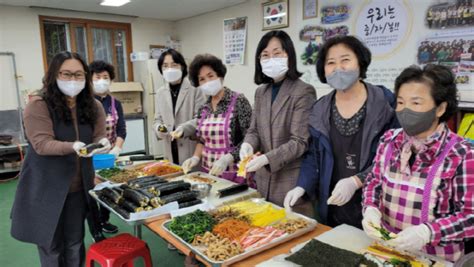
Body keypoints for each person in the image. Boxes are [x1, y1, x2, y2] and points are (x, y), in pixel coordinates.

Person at [362, 64, 474, 262]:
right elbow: (374, 182)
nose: (405, 110)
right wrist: (370, 207)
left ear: (440, 108)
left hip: (436, 259)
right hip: (388, 252)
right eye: (401, 102)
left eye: (416, 103)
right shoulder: (389, 140)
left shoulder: (463, 153)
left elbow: (470, 216)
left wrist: (427, 232)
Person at [284, 36, 397, 228]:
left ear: (360, 64)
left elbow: (395, 155)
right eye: (331, 63)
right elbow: (313, 155)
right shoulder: (320, 109)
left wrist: (357, 181)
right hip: (333, 203)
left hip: (376, 204)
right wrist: (302, 185)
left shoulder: (386, 103)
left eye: (345, 60)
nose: (338, 68)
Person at [10, 51, 110, 266]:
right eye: (66, 74)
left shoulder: (93, 106)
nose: (73, 80)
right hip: (46, 187)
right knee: (51, 245)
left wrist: (103, 142)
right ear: (54, 74)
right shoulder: (38, 105)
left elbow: (99, 135)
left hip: (77, 187)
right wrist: (72, 146)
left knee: (74, 242)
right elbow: (41, 144)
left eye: (79, 74)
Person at [239, 30, 317, 216]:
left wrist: (266, 158)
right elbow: (254, 129)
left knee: (293, 236)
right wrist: (248, 144)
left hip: (291, 181)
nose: (270, 59)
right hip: (264, 180)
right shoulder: (261, 92)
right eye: (265, 55)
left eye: (277, 53)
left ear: (288, 55)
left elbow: (299, 141)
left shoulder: (303, 91)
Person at [179, 54, 253, 185]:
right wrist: (195, 158)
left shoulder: (238, 101)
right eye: (202, 79)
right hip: (209, 173)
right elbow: (202, 140)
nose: (207, 82)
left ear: (220, 76)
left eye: (210, 76)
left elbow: (250, 138)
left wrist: (228, 158)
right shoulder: (204, 107)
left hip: (234, 174)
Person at [88, 60, 127, 235]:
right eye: (98, 77)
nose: (102, 81)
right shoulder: (85, 102)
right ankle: (95, 229)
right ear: (90, 79)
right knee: (91, 192)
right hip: (89, 156)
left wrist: (116, 149)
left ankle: (104, 220)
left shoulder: (114, 103)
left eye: (106, 77)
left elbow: (121, 130)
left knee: (109, 188)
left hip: (109, 156)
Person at [153, 49, 206, 165]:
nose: (169, 69)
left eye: (174, 65)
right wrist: (159, 128)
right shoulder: (160, 92)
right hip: (169, 149)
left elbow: (202, 118)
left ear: (182, 67)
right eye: (165, 66)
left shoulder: (195, 89)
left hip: (190, 149)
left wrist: (183, 129)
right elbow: (157, 119)